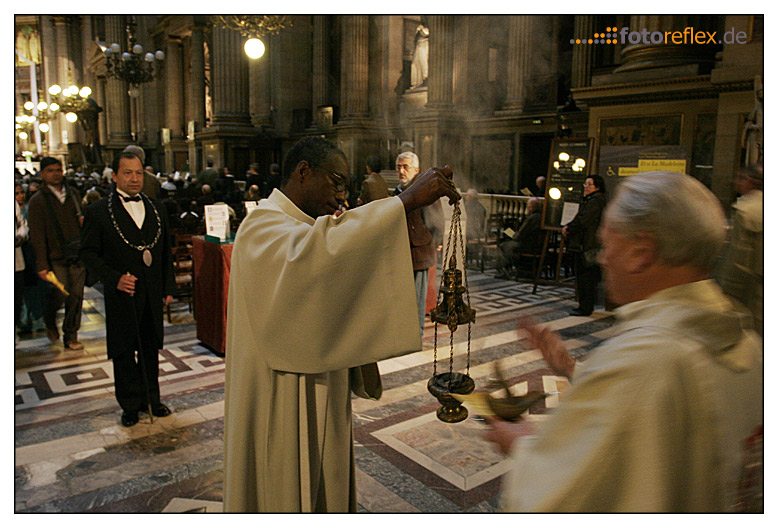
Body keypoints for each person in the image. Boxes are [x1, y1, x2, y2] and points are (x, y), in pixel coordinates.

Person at [484, 171, 763, 512]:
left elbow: (562, 499)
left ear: (640, 252)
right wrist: (571, 367)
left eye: (606, 244)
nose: (602, 258)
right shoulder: (747, 343)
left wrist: (522, 445)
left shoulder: (646, 360)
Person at [223, 136, 459, 512]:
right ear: (303, 172)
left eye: (346, 186)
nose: (341, 195)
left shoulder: (301, 225)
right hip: (279, 391)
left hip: (321, 379)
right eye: (336, 181)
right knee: (282, 481)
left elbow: (335, 261)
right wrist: (404, 201)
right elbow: (318, 252)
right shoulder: (262, 225)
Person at [79, 152, 176, 428]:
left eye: (138, 173)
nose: (134, 179)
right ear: (114, 176)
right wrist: (115, 278)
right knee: (123, 350)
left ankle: (152, 399)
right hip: (122, 293)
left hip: (152, 291)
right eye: (128, 173)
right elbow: (88, 254)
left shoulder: (157, 207)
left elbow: (164, 251)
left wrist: (168, 285)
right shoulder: (98, 211)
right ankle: (130, 405)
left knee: (150, 346)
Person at [27, 157, 86, 350]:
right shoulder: (38, 200)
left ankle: (71, 335)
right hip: (55, 256)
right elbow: (36, 234)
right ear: (43, 174)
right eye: (51, 170)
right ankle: (50, 317)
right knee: (61, 293)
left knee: (76, 296)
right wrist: (42, 264)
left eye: (58, 170)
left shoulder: (73, 194)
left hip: (76, 252)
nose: (56, 174)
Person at [394, 151, 444, 332]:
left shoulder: (425, 190)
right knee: (402, 295)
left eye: (405, 167)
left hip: (419, 251)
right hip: (401, 250)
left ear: (416, 170)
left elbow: (437, 221)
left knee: (417, 296)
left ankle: (416, 333)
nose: (401, 171)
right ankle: (403, 332)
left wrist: (436, 241)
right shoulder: (398, 191)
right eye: (398, 167)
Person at [718, 166, 763, 337]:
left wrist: (729, 288)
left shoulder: (745, 210)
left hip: (755, 286)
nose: (736, 183)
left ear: (751, 182)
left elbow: (739, 256)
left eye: (740, 178)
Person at [562, 174, 606, 316]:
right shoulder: (592, 200)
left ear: (597, 187)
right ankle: (584, 305)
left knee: (586, 277)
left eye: (589, 184)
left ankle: (585, 307)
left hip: (587, 245)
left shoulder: (595, 202)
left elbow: (583, 220)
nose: (586, 187)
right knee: (584, 277)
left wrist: (569, 228)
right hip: (586, 243)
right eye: (585, 184)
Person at [495, 197, 543, 278]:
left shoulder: (531, 218)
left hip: (527, 246)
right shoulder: (542, 217)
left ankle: (504, 270)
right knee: (508, 245)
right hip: (537, 245)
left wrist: (512, 234)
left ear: (531, 207)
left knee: (503, 245)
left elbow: (520, 235)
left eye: (528, 206)